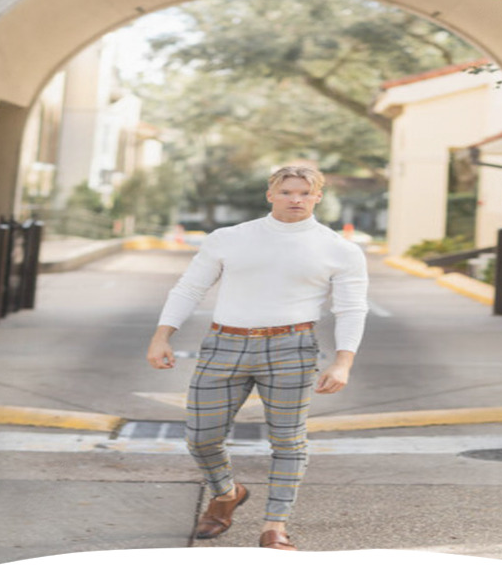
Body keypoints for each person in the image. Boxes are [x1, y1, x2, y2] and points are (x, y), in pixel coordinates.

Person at [146, 165, 369, 550]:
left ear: (318, 197)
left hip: (292, 348)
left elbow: (351, 309)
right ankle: (227, 493)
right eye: (287, 192)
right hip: (224, 343)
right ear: (270, 195)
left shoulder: (340, 250)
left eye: (305, 193)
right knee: (201, 438)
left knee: (288, 442)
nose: (295, 199)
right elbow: (190, 288)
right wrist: (162, 335)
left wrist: (343, 361)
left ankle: (274, 526)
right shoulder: (230, 238)